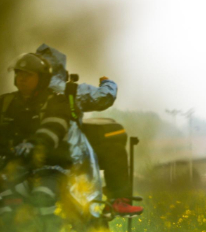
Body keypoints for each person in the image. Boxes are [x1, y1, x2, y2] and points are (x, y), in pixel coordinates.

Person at [35, 44, 141, 216]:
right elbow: (104, 97)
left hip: (33, 153)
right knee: (114, 147)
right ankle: (118, 199)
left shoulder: (20, 95)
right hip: (68, 154)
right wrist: (108, 82)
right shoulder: (67, 90)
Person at [0, 53, 75, 219]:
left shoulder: (56, 102)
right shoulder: (6, 102)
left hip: (49, 166)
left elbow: (53, 128)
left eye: (28, 75)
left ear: (42, 79)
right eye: (19, 74)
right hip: (12, 164)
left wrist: (34, 144)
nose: (21, 78)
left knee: (42, 197)